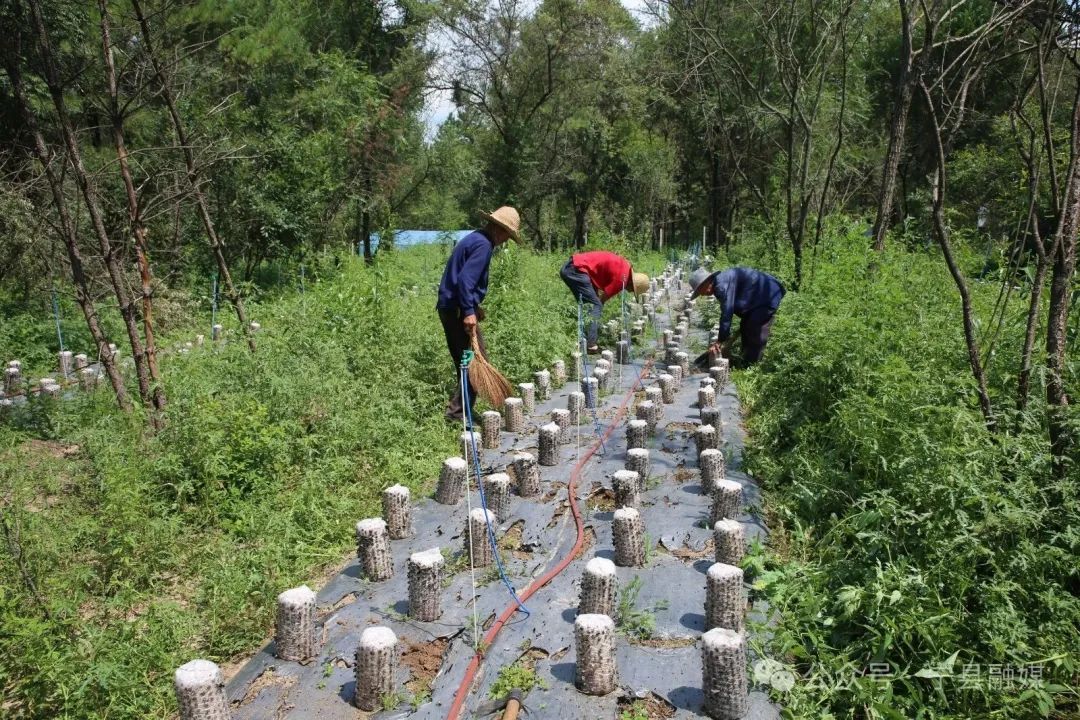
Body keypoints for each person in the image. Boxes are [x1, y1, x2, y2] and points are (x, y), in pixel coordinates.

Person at [437, 206, 520, 422]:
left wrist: (474, 306)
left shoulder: (475, 238)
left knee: (466, 361)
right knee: (475, 362)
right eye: (508, 235)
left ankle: (460, 411)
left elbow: (463, 280)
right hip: (456, 309)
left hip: (450, 306)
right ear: (500, 230)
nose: (506, 240)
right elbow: (466, 280)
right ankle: (457, 414)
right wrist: (468, 311)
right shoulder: (484, 245)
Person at [688, 266, 785, 366]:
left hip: (767, 295)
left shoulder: (721, 286)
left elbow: (727, 313)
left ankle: (752, 365)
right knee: (745, 326)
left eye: (700, 291)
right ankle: (745, 359)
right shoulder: (720, 283)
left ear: (706, 283)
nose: (701, 294)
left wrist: (720, 340)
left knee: (754, 328)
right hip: (757, 299)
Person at [559, 250, 649, 354]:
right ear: (632, 284)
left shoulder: (624, 268)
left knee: (590, 304)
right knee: (596, 305)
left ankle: (583, 336)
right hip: (576, 270)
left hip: (575, 267)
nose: (630, 291)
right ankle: (591, 344)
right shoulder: (621, 279)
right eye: (633, 290)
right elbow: (602, 300)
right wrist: (597, 313)